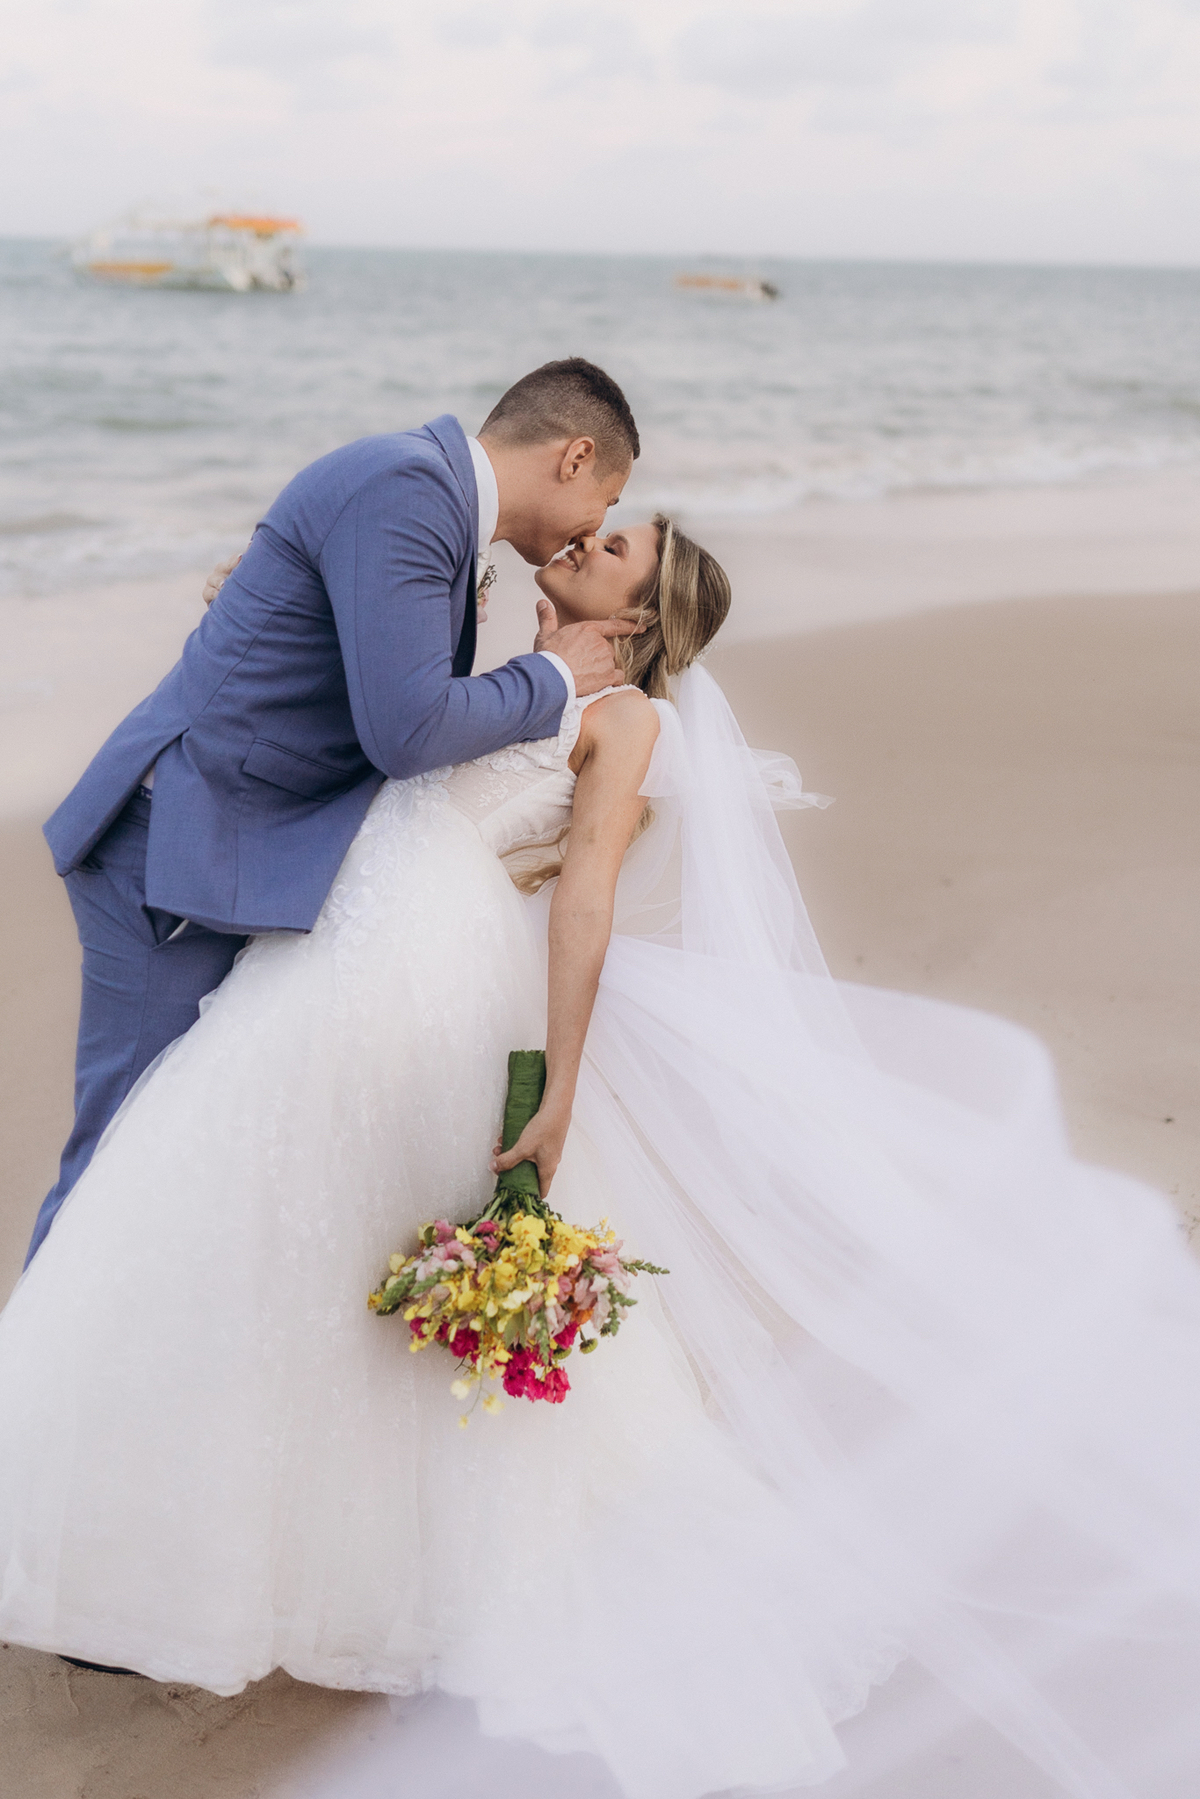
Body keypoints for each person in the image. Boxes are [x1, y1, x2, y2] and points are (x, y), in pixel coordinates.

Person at [2, 513, 1200, 1799]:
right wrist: (259, 605)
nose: (585, 539)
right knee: (239, 1226)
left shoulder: (628, 722)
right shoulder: (500, 680)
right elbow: (370, 734)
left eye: (618, 545)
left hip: (423, 997)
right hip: (329, 965)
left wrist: (560, 1081)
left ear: (636, 616)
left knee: (301, 1244)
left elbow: (585, 893)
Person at [26, 358, 643, 1264]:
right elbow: (406, 729)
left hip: (242, 851)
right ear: (575, 456)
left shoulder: (424, 494)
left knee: (176, 1170)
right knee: (116, 1170)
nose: (595, 527)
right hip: (177, 845)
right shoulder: (410, 489)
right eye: (607, 500)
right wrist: (550, 678)